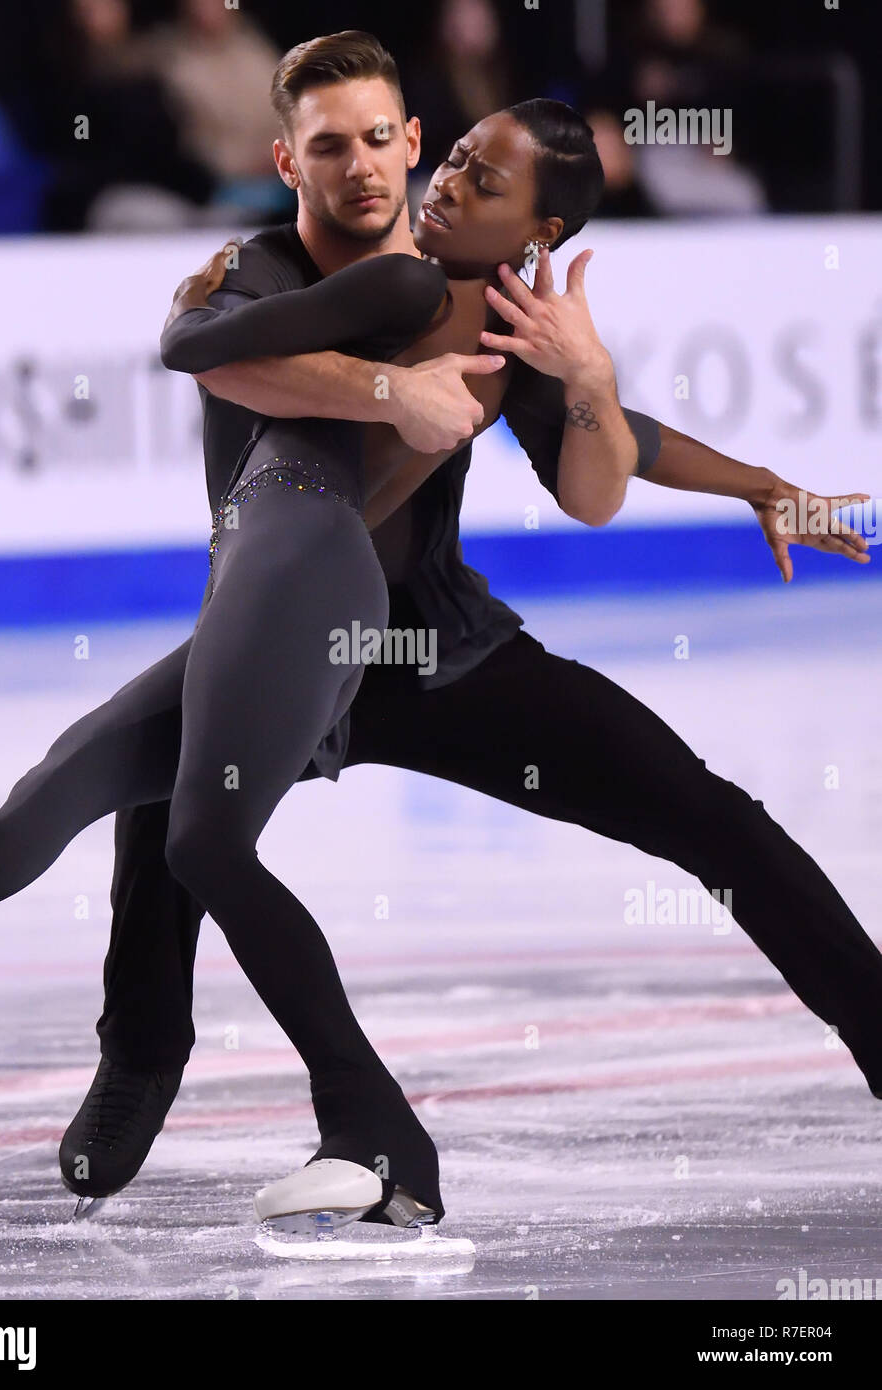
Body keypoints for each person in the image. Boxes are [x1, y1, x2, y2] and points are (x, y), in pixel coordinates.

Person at [54, 31, 877, 1223]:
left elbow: (609, 469)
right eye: (340, 148)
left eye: (456, 172)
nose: (420, 181)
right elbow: (226, 363)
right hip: (286, 640)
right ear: (293, 161)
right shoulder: (278, 272)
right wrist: (380, 380)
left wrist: (727, 464)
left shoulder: (500, 321)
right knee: (155, 807)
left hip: (434, 653)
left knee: (707, 814)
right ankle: (142, 1054)